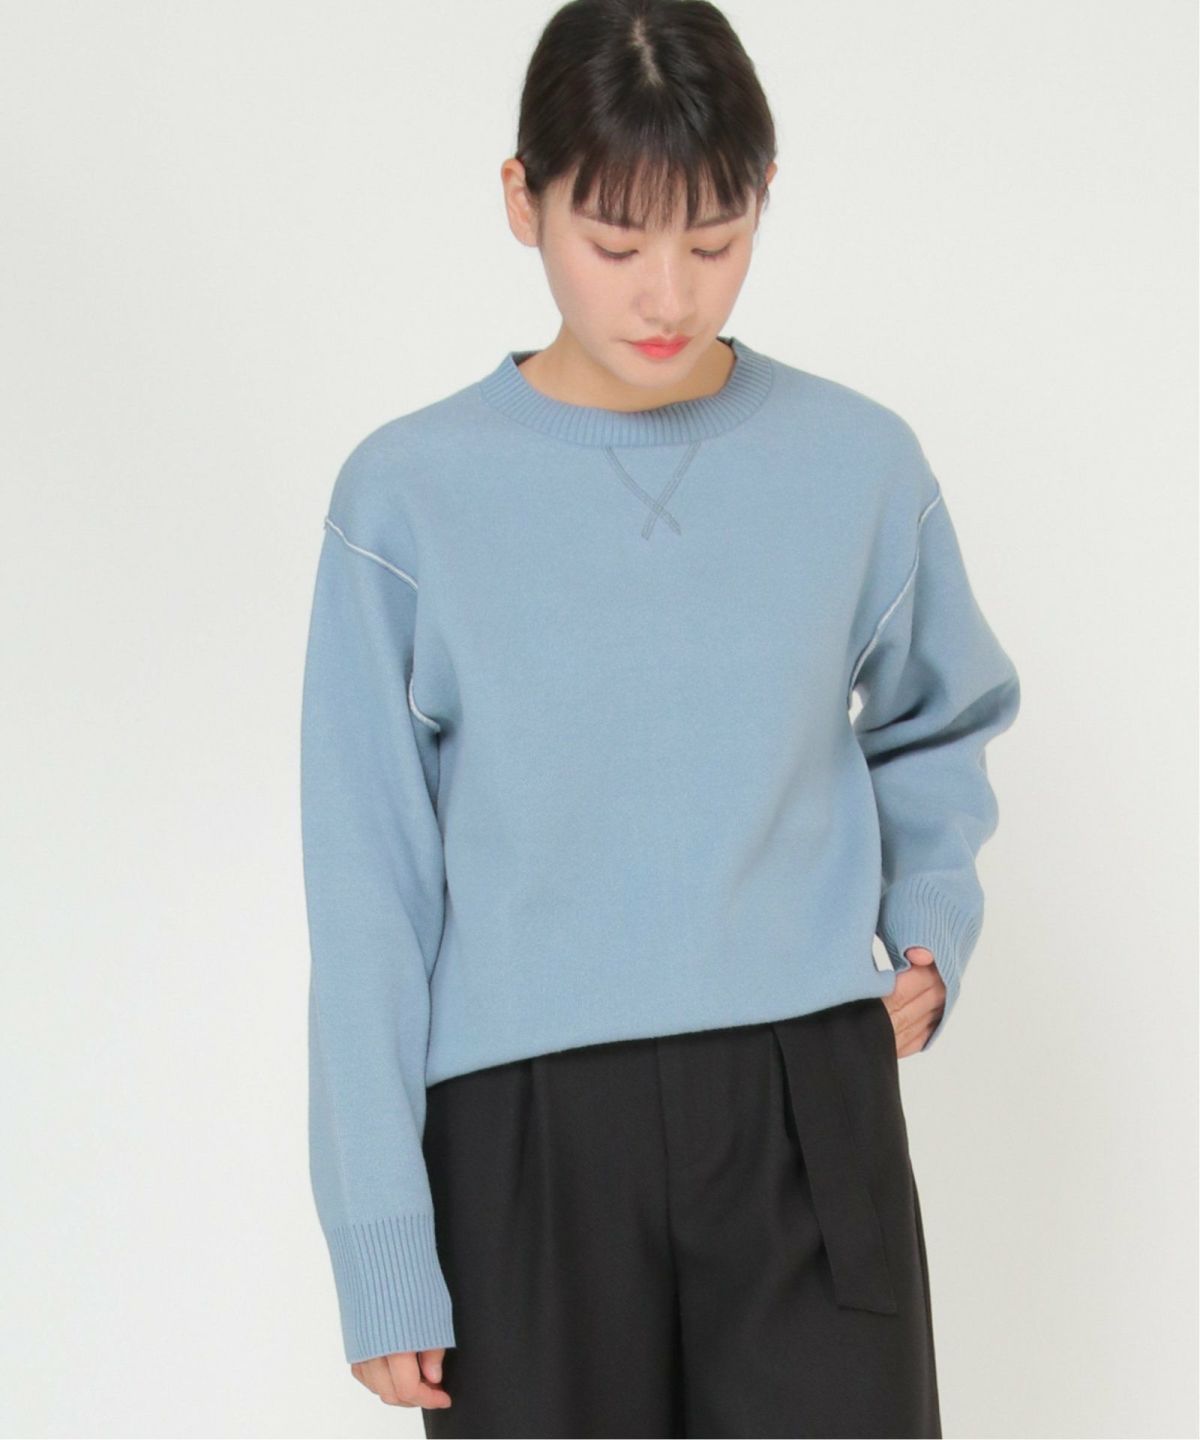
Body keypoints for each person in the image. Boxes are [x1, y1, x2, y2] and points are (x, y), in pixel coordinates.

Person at [298, 1, 1022, 1435]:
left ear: (765, 198)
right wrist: (381, 1240)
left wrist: (931, 920)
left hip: (807, 1101)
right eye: (616, 243)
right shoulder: (408, 496)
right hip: (521, 1135)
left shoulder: (858, 463)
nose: (668, 295)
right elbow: (369, 884)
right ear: (524, 201)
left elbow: (939, 717)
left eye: (717, 238)